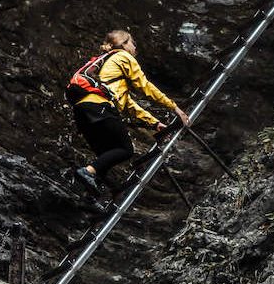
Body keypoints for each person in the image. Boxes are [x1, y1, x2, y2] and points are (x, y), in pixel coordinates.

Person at [71, 30, 190, 195]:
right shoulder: (124, 57)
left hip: (82, 112)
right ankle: (87, 172)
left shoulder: (105, 65)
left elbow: (129, 105)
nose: (135, 48)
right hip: (100, 107)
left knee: (106, 156)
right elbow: (145, 86)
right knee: (125, 149)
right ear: (124, 44)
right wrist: (174, 107)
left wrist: (154, 123)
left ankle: (90, 195)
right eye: (133, 43)